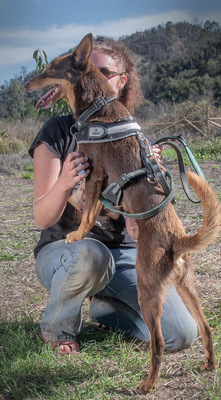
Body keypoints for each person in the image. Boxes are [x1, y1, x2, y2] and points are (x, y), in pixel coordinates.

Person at [29, 37, 197, 355]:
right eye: (89, 69)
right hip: (66, 255)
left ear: (121, 83)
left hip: (122, 256)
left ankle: (105, 308)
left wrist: (149, 179)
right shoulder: (57, 132)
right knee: (93, 255)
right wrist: (65, 183)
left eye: (104, 71)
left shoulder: (131, 136)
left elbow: (133, 222)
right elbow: (42, 217)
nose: (93, 75)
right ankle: (58, 328)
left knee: (180, 334)